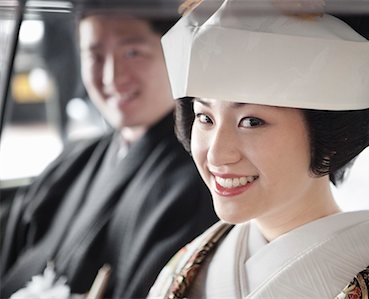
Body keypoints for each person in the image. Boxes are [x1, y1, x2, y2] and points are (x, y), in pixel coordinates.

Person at [148, 0, 369, 298]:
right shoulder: (194, 260)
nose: (216, 154)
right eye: (205, 118)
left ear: (330, 136)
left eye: (251, 121)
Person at [0, 6, 218, 299]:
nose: (112, 76)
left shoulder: (200, 179)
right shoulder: (73, 161)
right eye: (95, 55)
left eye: (132, 53)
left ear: (176, 54)